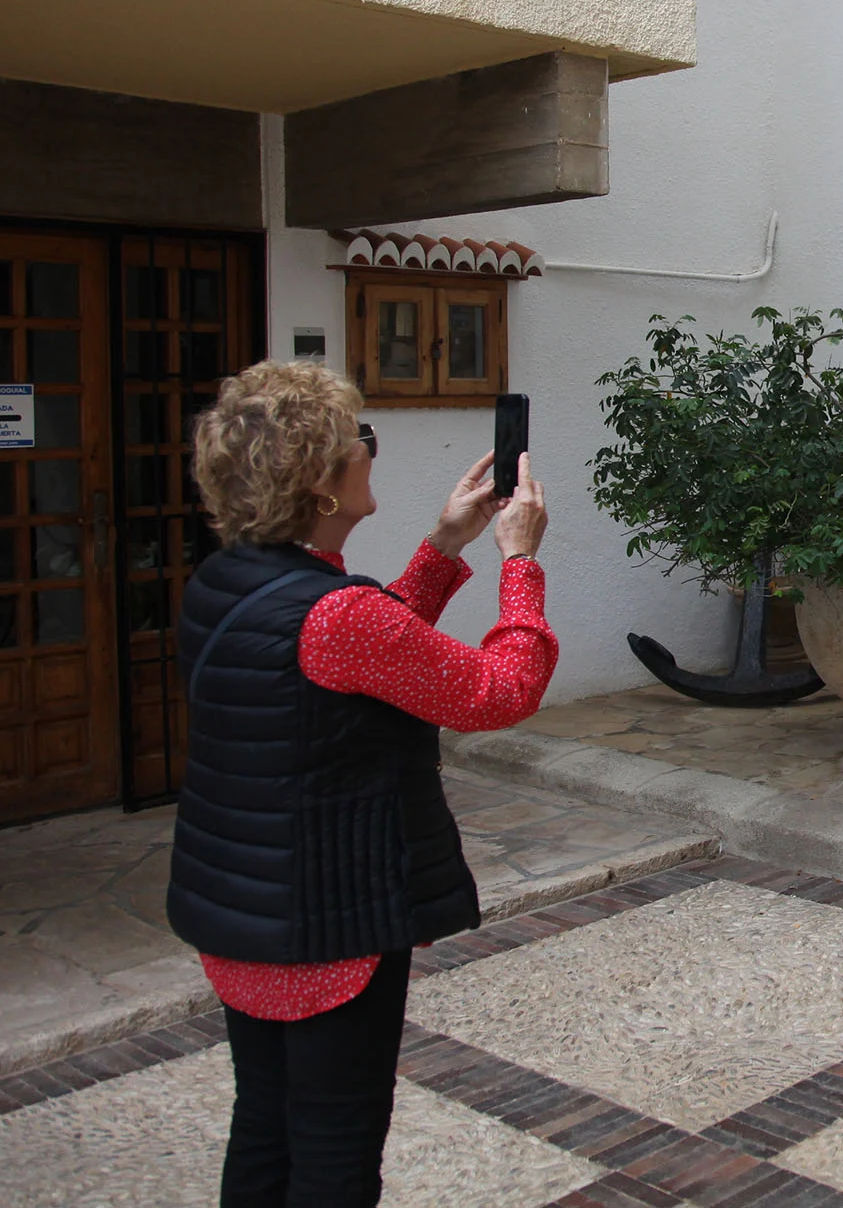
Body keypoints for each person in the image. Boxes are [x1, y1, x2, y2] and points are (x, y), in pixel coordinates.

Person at [166, 361, 555, 1207]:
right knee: (336, 1158)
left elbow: (356, 661)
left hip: (242, 914)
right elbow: (501, 690)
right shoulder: (335, 615)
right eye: (359, 442)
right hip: (327, 928)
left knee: (265, 1126)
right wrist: (517, 561)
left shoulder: (221, 584)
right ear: (319, 483)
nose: (368, 452)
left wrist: (445, 544)